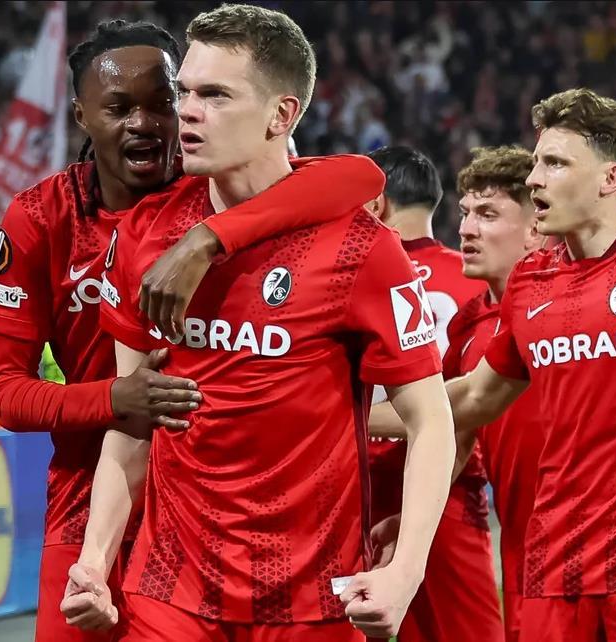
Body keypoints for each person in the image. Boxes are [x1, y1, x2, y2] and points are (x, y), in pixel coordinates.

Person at [0, 19, 385, 642]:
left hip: (207, 519)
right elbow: (6, 395)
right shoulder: (41, 217)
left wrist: (209, 237)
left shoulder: (216, 184)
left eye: (164, 102)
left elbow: (359, 176)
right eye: (119, 108)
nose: (146, 123)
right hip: (91, 494)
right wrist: (116, 399)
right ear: (82, 115)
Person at [62, 6, 454, 640]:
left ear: (282, 115)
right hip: (169, 592)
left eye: (216, 95)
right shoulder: (145, 233)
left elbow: (431, 421)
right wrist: (95, 562)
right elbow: (132, 424)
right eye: (185, 92)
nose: (187, 112)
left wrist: (404, 572)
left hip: (312, 600)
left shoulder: (362, 248)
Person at [371, 88, 616, 641]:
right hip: (553, 566)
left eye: (556, 163)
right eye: (538, 161)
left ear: (610, 178)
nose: (536, 178)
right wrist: (341, 414)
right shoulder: (532, 281)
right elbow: (474, 397)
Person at [364, 146, 500, 642]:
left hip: (356, 480)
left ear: (376, 203)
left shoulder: (351, 273)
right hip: (448, 482)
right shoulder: (473, 280)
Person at [446, 146, 545, 642]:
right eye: (465, 213)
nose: (466, 229)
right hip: (523, 558)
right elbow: (457, 434)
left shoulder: (572, 303)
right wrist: (410, 521)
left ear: (535, 228)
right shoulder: (466, 325)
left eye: (487, 214)